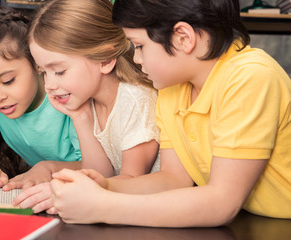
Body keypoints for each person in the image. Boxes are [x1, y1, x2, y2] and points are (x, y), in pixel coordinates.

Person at [47, 0, 291, 227]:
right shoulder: (173, 87)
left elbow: (222, 202)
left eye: (140, 45)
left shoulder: (249, 77)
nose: (136, 57)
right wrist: (106, 186)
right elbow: (173, 179)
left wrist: (102, 206)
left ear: (182, 38)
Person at [12, 0, 160, 213]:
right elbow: (101, 173)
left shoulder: (134, 100)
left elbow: (132, 180)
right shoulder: (89, 100)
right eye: (44, 72)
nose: (50, 85)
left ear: (105, 60)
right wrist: (79, 117)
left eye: (60, 71)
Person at [0, 5, 82, 189]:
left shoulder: (66, 91)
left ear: (37, 63)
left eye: (8, 81)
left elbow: (101, 167)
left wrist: (47, 169)